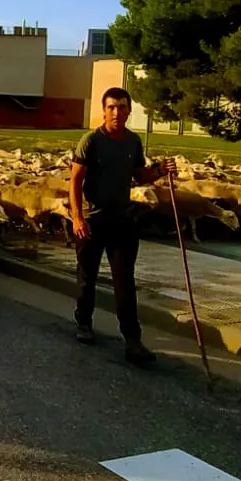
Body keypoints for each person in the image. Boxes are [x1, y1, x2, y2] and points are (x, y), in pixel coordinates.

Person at [69, 87, 177, 367]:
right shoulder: (91, 141)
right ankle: (84, 322)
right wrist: (77, 218)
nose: (117, 112)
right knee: (87, 276)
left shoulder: (133, 142)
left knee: (124, 281)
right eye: (112, 107)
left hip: (122, 220)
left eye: (122, 107)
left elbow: (140, 176)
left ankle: (132, 340)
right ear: (104, 110)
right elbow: (75, 181)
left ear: (129, 111)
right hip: (93, 219)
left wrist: (160, 171)